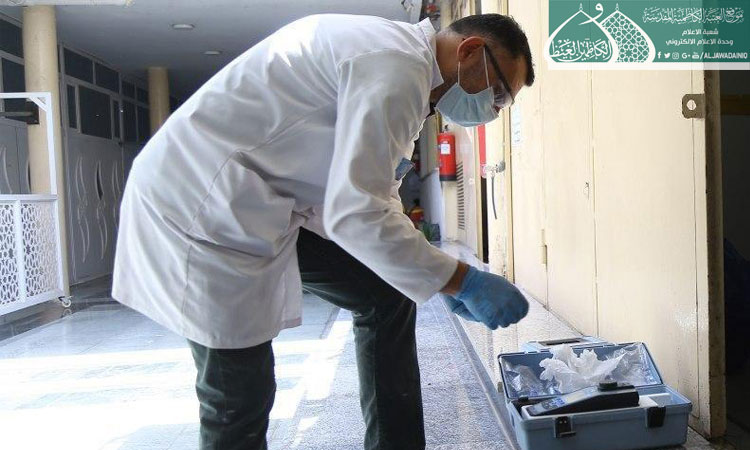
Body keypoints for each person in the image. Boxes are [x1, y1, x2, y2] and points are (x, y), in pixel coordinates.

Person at [113, 12, 535, 450]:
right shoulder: (395, 65)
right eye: (498, 92)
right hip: (202, 207)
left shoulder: (408, 76)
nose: (493, 109)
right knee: (237, 395)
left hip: (262, 205)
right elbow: (357, 211)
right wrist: (461, 279)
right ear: (470, 51)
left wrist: (439, 277)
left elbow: (374, 192)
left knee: (384, 292)